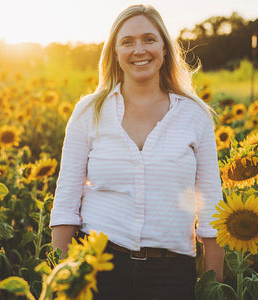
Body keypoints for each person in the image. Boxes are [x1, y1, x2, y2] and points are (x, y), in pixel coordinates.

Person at [50, 4, 224, 300]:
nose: (139, 49)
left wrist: (214, 287)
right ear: (115, 53)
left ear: (165, 49)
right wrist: (64, 283)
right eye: (127, 42)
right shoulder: (89, 111)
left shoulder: (195, 115)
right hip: (97, 268)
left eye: (149, 39)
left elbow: (211, 211)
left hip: (171, 274)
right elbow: (66, 204)